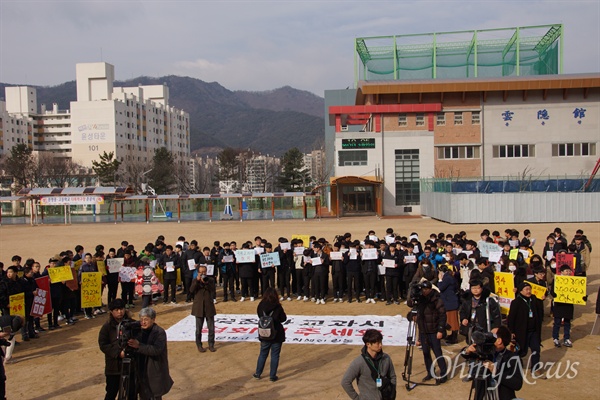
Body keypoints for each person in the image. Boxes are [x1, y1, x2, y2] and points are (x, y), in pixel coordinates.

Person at [460, 326, 523, 400]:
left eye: (490, 335)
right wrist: (467, 350)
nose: (486, 337)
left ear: (499, 341)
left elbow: (517, 384)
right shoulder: (484, 352)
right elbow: (465, 354)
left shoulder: (513, 358)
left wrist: (496, 371)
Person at [127, 307, 173, 400]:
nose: (143, 322)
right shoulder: (138, 331)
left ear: (153, 319)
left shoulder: (159, 332)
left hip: (154, 370)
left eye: (146, 319)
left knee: (155, 395)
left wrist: (139, 346)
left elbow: (156, 350)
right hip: (141, 370)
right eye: (141, 319)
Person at [407, 280, 448, 384]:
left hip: (434, 330)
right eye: (423, 289)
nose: (424, 291)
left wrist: (440, 330)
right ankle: (430, 372)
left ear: (430, 289)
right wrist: (412, 294)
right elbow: (410, 306)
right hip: (423, 331)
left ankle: (443, 374)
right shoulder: (419, 299)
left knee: (438, 353)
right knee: (426, 353)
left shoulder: (436, 299)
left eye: (426, 289)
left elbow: (443, 315)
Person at [341, 329, 397, 400]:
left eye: (381, 342)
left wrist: (392, 391)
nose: (380, 345)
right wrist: (357, 398)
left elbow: (392, 376)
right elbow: (345, 382)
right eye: (377, 343)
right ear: (368, 344)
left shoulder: (386, 358)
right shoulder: (359, 362)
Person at [98, 299, 136, 400]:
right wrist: (118, 353)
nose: (120, 312)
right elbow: (103, 344)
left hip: (131, 366)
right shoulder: (107, 327)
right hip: (113, 367)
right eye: (116, 310)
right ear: (111, 311)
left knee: (132, 392)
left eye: (121, 309)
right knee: (111, 392)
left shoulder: (132, 324)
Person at [507, 281, 544, 372]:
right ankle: (517, 365)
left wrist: (541, 300)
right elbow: (511, 318)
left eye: (529, 289)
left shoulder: (534, 299)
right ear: (521, 291)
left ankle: (535, 368)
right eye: (526, 289)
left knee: (536, 349)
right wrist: (511, 331)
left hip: (534, 331)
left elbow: (540, 312)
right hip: (521, 331)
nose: (528, 291)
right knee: (521, 350)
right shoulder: (516, 302)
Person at [253, 287, 286, 382]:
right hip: (276, 334)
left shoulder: (261, 305)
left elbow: (259, 315)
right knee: (275, 355)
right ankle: (272, 376)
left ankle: (258, 373)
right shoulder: (277, 306)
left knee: (263, 354)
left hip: (264, 333)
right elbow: (283, 318)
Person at [190, 265, 216, 352]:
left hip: (209, 306)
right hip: (199, 307)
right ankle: (199, 345)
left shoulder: (210, 280)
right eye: (201, 272)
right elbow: (191, 290)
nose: (203, 274)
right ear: (198, 273)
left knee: (211, 328)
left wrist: (206, 283)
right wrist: (197, 281)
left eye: (204, 272)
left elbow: (213, 290)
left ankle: (211, 344)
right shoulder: (195, 281)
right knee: (198, 329)